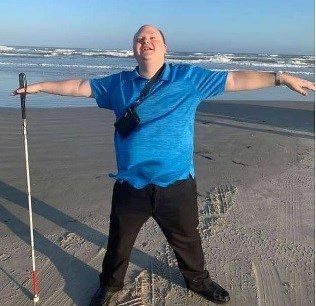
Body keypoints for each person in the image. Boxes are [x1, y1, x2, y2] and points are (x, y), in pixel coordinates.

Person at [12, 25, 315, 305]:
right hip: (131, 185)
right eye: (140, 39)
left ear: (165, 47)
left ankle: (198, 281)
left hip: (177, 183)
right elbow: (79, 86)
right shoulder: (118, 84)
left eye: (153, 38)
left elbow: (234, 79)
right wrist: (39, 88)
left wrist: (280, 76)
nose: (146, 42)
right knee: (119, 242)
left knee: (187, 240)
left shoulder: (189, 79)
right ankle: (110, 284)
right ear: (134, 49)